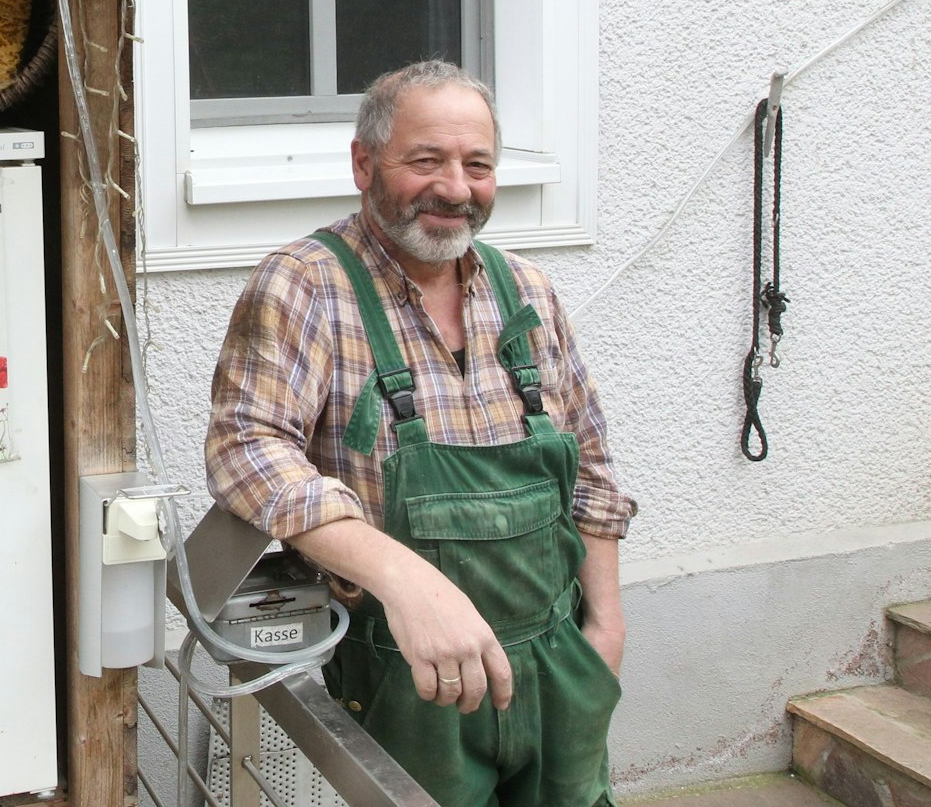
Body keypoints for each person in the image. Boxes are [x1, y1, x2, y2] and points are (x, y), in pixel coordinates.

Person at [204, 59, 636, 807]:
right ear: (364, 163)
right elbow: (246, 449)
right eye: (426, 160)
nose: (455, 189)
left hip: (558, 663)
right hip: (406, 678)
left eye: (478, 165)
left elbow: (592, 465)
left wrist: (606, 630)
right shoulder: (304, 285)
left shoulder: (527, 291)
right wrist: (408, 581)